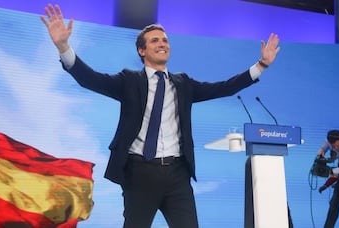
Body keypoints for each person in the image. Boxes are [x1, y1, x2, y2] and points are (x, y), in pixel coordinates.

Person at [40, 3, 280, 227]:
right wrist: (64, 47)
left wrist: (261, 65)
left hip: (177, 175)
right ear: (142, 50)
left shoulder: (183, 83)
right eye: (155, 40)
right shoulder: (129, 80)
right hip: (139, 172)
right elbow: (90, 79)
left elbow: (223, 87)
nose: (162, 43)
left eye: (165, 40)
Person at [317, 130, 339, 228]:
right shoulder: (331, 139)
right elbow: (324, 147)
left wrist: (332, 171)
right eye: (331, 145)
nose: (333, 147)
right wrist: (326, 185)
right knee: (333, 209)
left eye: (334, 144)